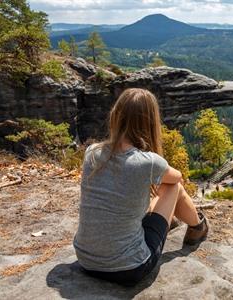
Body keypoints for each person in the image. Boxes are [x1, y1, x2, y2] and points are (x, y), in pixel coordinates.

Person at [73, 88, 209, 287]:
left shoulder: (92, 153)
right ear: (150, 122)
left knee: (161, 188)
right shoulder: (148, 162)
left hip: (86, 261)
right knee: (174, 187)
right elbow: (177, 177)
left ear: (115, 116)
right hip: (129, 268)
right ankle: (198, 228)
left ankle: (170, 221)